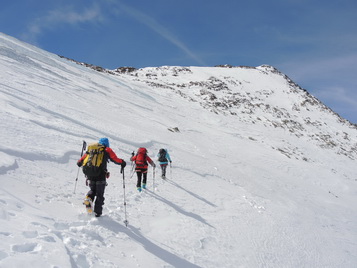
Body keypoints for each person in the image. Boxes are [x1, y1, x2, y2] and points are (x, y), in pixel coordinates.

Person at [77, 138, 126, 217]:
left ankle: (88, 198)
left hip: (90, 175)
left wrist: (80, 163)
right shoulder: (107, 150)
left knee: (93, 190)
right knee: (100, 194)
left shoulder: (92, 149)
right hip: (100, 175)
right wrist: (122, 162)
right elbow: (115, 159)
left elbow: (80, 161)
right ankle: (97, 213)